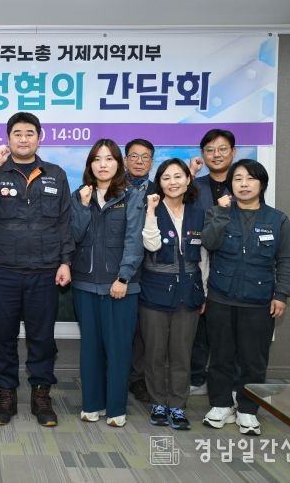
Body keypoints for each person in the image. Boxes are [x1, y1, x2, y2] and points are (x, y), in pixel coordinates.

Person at [0, 112, 73, 427]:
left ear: (39, 138)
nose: (24, 138)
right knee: (1, 336)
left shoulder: (55, 174)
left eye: (30, 133)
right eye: (17, 133)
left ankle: (41, 396)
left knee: (42, 337)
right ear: (8, 138)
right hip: (1, 270)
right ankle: (6, 396)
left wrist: (66, 261)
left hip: (44, 270)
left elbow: (65, 222)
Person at [201, 159, 290, 436]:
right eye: (238, 179)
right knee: (220, 357)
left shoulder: (277, 219)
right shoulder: (217, 212)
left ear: (262, 184)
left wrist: (281, 294)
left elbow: (286, 259)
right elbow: (209, 242)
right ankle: (220, 404)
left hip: (258, 301)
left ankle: (247, 409)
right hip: (221, 298)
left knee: (253, 360)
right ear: (230, 184)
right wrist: (221, 213)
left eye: (250, 179)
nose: (243, 184)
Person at [71, 138, 144, 428]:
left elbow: (134, 239)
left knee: (118, 349)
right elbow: (73, 236)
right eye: (97, 159)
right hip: (85, 284)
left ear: (119, 163)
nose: (103, 165)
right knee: (90, 348)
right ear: (90, 164)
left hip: (120, 286)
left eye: (109, 159)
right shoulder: (81, 195)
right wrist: (82, 207)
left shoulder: (132, 196)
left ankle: (116, 408)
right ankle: (92, 404)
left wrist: (123, 277)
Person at [140, 158, 207, 430]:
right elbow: (151, 244)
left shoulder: (198, 213)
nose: (172, 182)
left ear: (188, 179)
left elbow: (204, 257)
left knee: (181, 353)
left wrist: (203, 292)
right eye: (166, 177)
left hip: (188, 293)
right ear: (159, 182)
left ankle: (178, 405)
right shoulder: (151, 208)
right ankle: (158, 402)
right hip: (154, 292)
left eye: (178, 176)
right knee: (155, 353)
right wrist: (151, 211)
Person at [189, 129, 238, 397]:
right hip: (200, 260)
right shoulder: (196, 186)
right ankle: (197, 376)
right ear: (203, 154)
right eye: (209, 150)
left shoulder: (243, 182)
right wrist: (190, 174)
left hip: (232, 263)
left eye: (222, 149)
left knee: (228, 328)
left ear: (233, 152)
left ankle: (229, 382)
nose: (216, 154)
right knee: (199, 325)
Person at [123, 138, 156, 404]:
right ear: (125, 160)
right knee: (120, 326)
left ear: (152, 162)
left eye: (145, 157)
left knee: (142, 328)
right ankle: (117, 375)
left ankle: (138, 378)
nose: (139, 161)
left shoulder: (160, 191)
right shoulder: (111, 187)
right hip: (118, 267)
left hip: (151, 268)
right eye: (134, 156)